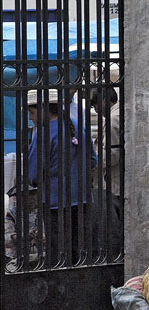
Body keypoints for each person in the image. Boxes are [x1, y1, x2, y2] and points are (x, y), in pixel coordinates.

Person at [27, 89, 97, 265]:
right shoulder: (76, 125)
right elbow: (93, 160)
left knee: (57, 252)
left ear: (44, 109)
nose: (30, 117)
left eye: (31, 112)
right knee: (78, 249)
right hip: (81, 199)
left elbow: (33, 173)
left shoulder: (43, 133)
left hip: (54, 202)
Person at [90, 86, 122, 258]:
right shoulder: (117, 114)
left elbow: (111, 155)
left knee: (112, 228)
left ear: (103, 101)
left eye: (95, 106)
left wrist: (90, 159)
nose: (95, 110)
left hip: (112, 183)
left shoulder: (112, 119)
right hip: (112, 182)